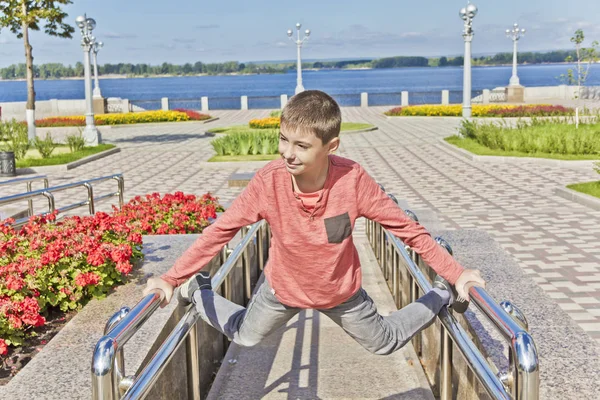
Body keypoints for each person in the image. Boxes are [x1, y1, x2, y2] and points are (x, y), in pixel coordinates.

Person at [143, 90, 485, 355]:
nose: (287, 153)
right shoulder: (269, 182)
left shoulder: (352, 180)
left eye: (301, 146)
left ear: (330, 146)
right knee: (245, 336)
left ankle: (440, 293)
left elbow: (407, 230)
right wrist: (172, 278)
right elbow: (221, 231)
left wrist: (456, 275)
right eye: (283, 139)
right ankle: (196, 288)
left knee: (385, 342)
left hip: (340, 293)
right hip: (283, 290)